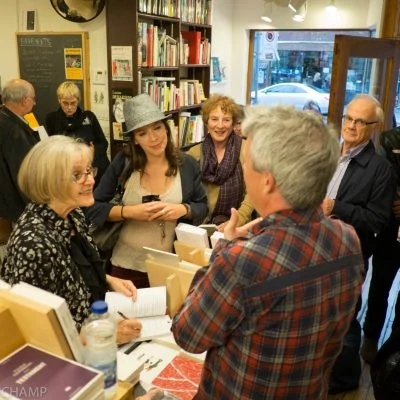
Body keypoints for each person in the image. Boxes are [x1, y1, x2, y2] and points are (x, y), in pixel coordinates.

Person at [172, 105, 364, 399]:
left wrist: (226, 248)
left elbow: (187, 335)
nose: (243, 169)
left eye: (246, 162)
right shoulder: (348, 240)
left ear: (267, 180)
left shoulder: (240, 263)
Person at [0, 136, 141, 344]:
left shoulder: (73, 215)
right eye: (77, 175)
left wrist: (108, 280)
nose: (91, 180)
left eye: (88, 170)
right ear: (49, 181)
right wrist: (101, 333)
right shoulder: (33, 244)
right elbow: (38, 329)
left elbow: (75, 270)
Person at [86, 94, 208, 288]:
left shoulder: (187, 165)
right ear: (134, 140)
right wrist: (130, 212)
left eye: (157, 127)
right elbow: (92, 208)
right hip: (125, 265)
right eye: (142, 133)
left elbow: (202, 206)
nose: (154, 138)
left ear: (166, 128)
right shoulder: (123, 164)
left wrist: (183, 210)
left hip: (169, 264)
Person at [321, 94, 395, 393]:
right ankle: (323, 370)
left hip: (349, 255)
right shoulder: (328, 152)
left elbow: (377, 220)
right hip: (316, 247)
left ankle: (345, 380)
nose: (351, 125)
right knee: (321, 315)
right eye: (348, 118)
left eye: (360, 121)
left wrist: (336, 206)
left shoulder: (380, 170)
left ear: (374, 127)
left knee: (346, 319)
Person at [361, 124, 400, 364]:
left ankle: (396, 345)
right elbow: (386, 180)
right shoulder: (390, 140)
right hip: (390, 229)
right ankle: (371, 338)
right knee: (379, 287)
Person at [187, 94, 247, 226]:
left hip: (237, 224)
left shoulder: (246, 149)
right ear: (206, 122)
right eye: (214, 119)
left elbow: (253, 194)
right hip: (202, 225)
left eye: (226, 120)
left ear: (233, 123)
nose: (220, 126)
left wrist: (238, 220)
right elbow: (189, 196)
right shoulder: (194, 153)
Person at [45, 81, 110, 187]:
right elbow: (50, 148)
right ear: (59, 100)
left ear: (78, 101)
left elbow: (103, 143)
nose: (69, 107)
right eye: (65, 103)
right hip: (66, 170)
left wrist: (92, 152)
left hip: (91, 168)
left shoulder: (89, 117)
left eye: (73, 103)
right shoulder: (52, 119)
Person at [0, 78, 40, 222]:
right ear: (25, 100)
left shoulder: (4, 119)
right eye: (33, 99)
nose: (34, 103)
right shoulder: (14, 131)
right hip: (19, 206)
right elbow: (22, 172)